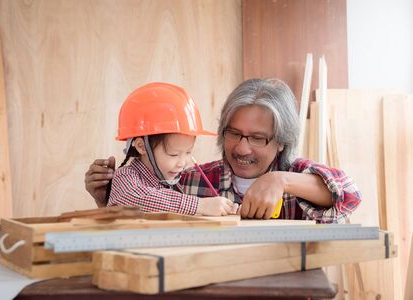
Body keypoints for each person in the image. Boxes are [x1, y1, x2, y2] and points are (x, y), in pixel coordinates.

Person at [85, 78, 361, 223]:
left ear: (281, 142)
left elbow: (349, 196)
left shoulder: (295, 175)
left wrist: (280, 180)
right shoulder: (188, 179)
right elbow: (144, 208)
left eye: (257, 138)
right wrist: (106, 198)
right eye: (233, 133)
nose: (242, 147)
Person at [105, 82, 235, 216]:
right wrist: (199, 205)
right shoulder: (125, 176)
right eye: (173, 154)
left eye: (188, 152)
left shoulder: (174, 184)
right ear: (142, 146)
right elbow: (133, 198)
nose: (182, 163)